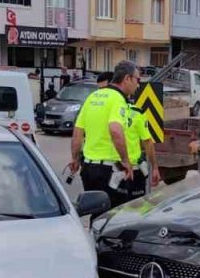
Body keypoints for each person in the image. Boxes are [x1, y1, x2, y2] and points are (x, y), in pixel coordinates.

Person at [69, 61, 140, 207]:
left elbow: (77, 133)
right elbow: (115, 129)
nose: (138, 85)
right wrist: (126, 161)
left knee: (95, 212)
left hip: (88, 169)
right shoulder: (118, 100)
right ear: (127, 78)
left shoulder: (93, 97)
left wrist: (75, 159)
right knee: (114, 217)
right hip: (109, 170)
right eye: (137, 80)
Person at [124, 103, 162, 199]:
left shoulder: (104, 110)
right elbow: (147, 142)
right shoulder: (136, 113)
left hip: (109, 168)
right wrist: (154, 167)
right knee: (136, 207)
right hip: (133, 169)